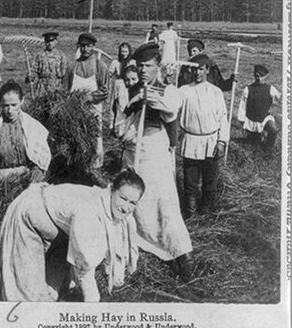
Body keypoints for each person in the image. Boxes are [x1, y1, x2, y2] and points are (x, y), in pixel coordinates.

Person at [0, 169, 145, 303]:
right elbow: (84, 267)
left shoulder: (113, 210)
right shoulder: (90, 211)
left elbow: (115, 243)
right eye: (123, 198)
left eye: (132, 202)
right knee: (26, 294)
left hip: (56, 226)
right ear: (111, 191)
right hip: (30, 214)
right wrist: (94, 304)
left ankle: (49, 297)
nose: (126, 207)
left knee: (53, 287)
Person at [119, 42, 193, 281]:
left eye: (148, 66)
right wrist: (133, 104)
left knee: (165, 203)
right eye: (140, 65)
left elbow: (170, 108)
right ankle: (145, 245)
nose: (143, 70)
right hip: (133, 152)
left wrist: (146, 96)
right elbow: (120, 125)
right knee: (137, 202)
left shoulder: (167, 89)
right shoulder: (131, 88)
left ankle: (181, 253)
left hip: (155, 152)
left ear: (158, 67)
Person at [0, 80, 51, 182]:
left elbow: (41, 163)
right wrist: (6, 174)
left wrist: (32, 176)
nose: (10, 110)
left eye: (14, 105)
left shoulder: (32, 127)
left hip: (27, 179)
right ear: (0, 104)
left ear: (22, 101)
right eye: (6, 106)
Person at [178, 55, 230, 217]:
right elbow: (171, 109)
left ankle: (206, 212)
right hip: (191, 141)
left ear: (207, 69)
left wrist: (221, 142)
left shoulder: (215, 92)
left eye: (201, 68)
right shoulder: (184, 91)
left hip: (211, 142)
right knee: (190, 183)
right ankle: (191, 214)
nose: (197, 72)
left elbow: (223, 117)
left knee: (209, 182)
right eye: (194, 69)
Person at [64, 32, 109, 168]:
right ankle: (76, 166)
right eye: (82, 46)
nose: (85, 49)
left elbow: (105, 90)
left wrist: (90, 97)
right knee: (76, 137)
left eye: (89, 46)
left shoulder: (100, 66)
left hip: (93, 110)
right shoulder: (72, 67)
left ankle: (95, 167)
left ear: (93, 47)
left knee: (95, 138)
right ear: (79, 46)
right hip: (75, 110)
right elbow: (65, 89)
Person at [237, 64, 281, 154]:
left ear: (265, 77)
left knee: (273, 130)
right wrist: (243, 122)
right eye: (257, 76)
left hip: (264, 118)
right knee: (254, 143)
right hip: (251, 120)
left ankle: (268, 150)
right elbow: (242, 106)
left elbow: (280, 99)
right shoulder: (248, 89)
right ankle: (257, 145)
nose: (259, 79)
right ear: (254, 76)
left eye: (261, 77)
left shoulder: (270, 89)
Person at [26, 30, 68, 96]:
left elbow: (65, 74)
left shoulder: (61, 56)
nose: (49, 43)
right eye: (47, 41)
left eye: (51, 41)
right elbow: (34, 71)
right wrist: (31, 77)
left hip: (57, 87)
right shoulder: (39, 55)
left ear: (56, 41)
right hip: (42, 88)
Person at [108, 42, 134, 133]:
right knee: (114, 105)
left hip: (127, 85)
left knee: (124, 105)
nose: (124, 54)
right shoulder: (116, 62)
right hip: (118, 84)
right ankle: (113, 125)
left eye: (126, 51)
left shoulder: (132, 62)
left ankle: (122, 127)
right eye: (122, 51)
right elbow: (109, 73)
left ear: (129, 51)